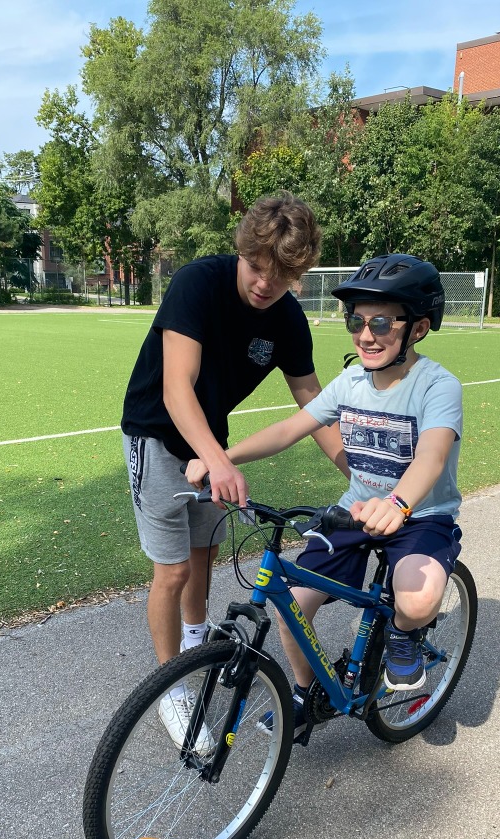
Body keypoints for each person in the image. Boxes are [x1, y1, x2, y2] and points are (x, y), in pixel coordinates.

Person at [190, 253, 463, 737]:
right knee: (291, 601)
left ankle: (402, 638)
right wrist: (221, 458)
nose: (365, 334)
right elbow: (291, 428)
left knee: (418, 603)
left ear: (417, 329)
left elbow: (432, 457)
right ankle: (305, 693)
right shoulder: (350, 382)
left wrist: (399, 503)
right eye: (356, 320)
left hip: (420, 514)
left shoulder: (437, 385)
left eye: (381, 322)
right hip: (355, 510)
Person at [121, 193, 346, 751]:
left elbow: (311, 401)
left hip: (209, 443)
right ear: (241, 251)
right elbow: (177, 389)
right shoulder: (198, 284)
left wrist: (355, 467)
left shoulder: (288, 319)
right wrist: (219, 460)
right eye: (258, 267)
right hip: (157, 431)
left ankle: (197, 645)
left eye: (283, 274)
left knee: (205, 556)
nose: (266, 283)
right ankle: (168, 689)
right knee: (171, 571)